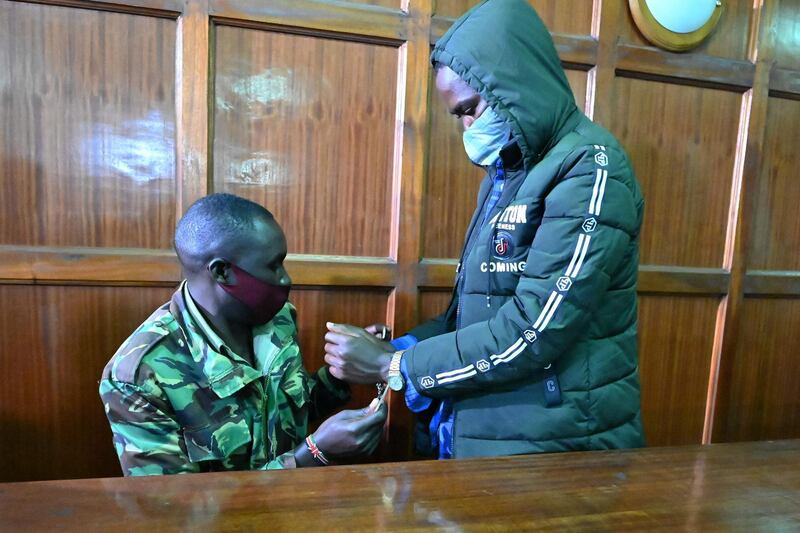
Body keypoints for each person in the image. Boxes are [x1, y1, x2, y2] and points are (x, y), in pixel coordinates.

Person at [324, 0, 645, 459]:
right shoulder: (508, 175)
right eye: (459, 116)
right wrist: (404, 345)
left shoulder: (590, 168)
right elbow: (475, 313)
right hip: (495, 429)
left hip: (556, 445)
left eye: (470, 109)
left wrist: (394, 365)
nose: (468, 127)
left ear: (512, 86)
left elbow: (535, 328)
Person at [100, 193, 386, 476]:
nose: (286, 278)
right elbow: (175, 510)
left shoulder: (278, 319)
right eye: (274, 265)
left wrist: (343, 370)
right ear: (222, 271)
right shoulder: (138, 376)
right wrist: (312, 454)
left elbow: (290, 412)